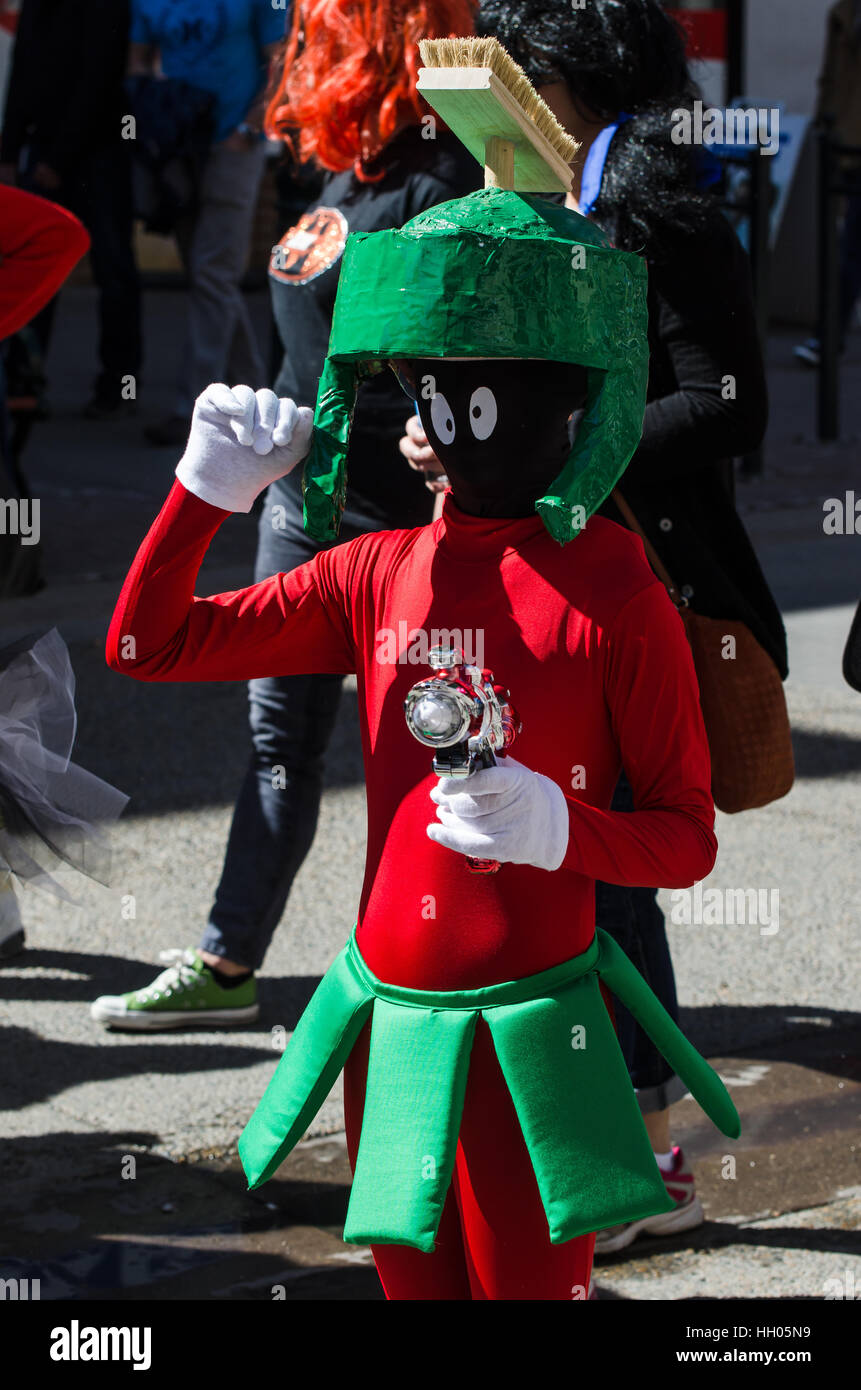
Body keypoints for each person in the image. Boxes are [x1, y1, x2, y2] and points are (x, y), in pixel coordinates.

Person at [104, 132, 741, 1294]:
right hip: (390, 1035)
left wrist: (564, 829)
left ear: (569, 407)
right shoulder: (374, 569)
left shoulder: (615, 588)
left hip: (543, 1042)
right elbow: (149, 645)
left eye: (482, 395)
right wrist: (201, 496)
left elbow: (689, 838)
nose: (453, 422)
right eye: (438, 393)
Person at [400, 0, 788, 1254]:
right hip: (559, 582)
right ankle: (613, 1137)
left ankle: (639, 1150)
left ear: (569, 83)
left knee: (612, 865)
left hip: (645, 593)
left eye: (523, 77)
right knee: (572, 856)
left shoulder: (659, 207)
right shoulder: (546, 191)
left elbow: (728, 404)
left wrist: (560, 457)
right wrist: (462, 434)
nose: (504, 104)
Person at [90, 0, 479, 1031]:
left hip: (406, 535)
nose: (299, 53)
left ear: (382, 43)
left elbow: (466, 374)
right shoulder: (349, 176)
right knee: (276, 744)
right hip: (304, 514)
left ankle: (430, 971)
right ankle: (228, 962)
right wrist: (258, 442)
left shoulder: (448, 187)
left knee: (431, 759)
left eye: (323, 31)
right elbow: (304, 337)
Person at [131, 0, 288, 446]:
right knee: (209, 277)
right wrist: (151, 116)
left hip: (235, 141)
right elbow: (137, 60)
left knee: (212, 272)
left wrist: (252, 127)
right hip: (176, 145)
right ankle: (258, 396)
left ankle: (192, 410)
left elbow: (280, 59)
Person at [0, 0, 141, 418]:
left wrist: (56, 161)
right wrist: (8, 151)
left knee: (113, 272)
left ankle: (118, 386)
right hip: (44, 150)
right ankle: (26, 383)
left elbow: (99, 78)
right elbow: (23, 70)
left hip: (98, 153)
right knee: (35, 267)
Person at [795, 0, 861, 368]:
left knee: (851, 243)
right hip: (845, 140)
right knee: (848, 244)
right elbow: (830, 76)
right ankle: (827, 337)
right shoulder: (842, 12)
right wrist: (824, 122)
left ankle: (827, 338)